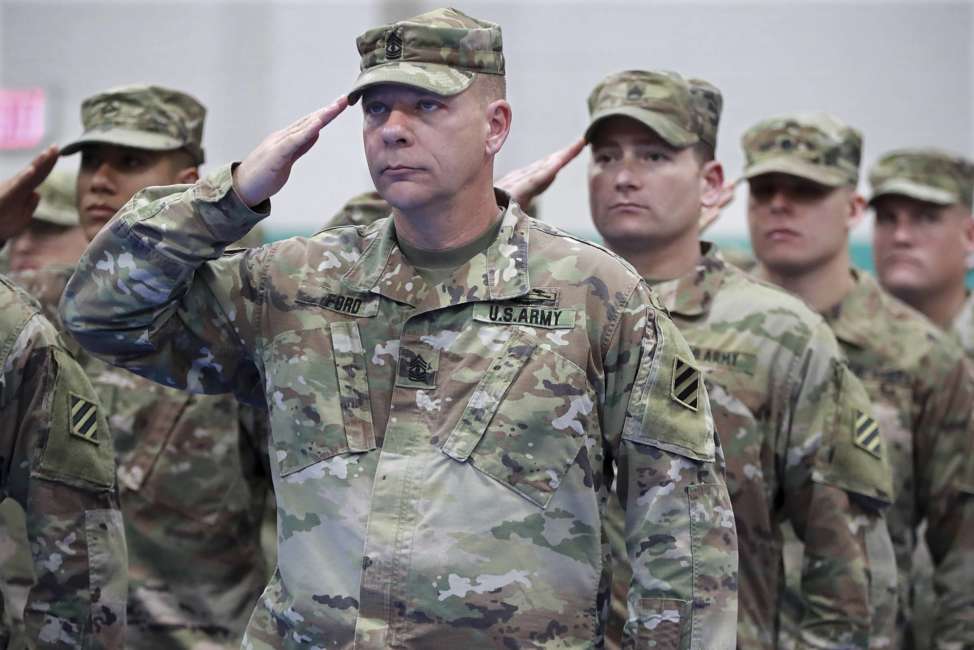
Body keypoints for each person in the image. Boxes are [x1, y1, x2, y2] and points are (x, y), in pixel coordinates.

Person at [60, 8, 739, 648]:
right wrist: (231, 194)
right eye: (376, 108)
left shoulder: (594, 297)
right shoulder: (295, 284)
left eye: (429, 107)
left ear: (495, 125)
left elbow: (681, 535)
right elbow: (99, 313)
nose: (393, 129)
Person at [492, 68, 895, 650]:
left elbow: (845, 559)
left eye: (654, 157)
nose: (624, 177)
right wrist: (489, 223)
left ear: (710, 183)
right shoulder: (535, 313)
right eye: (606, 157)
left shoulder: (780, 335)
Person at [8, 85, 274, 650]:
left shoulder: (237, 316)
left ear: (185, 180)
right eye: (90, 162)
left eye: (129, 162)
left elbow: (293, 499)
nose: (100, 181)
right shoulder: (31, 306)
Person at [742, 113, 974, 649]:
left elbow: (962, 547)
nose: (780, 204)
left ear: (851, 209)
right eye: (764, 190)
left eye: (805, 190)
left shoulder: (925, 358)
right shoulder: (696, 331)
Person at [0, 146, 128, 648]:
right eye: (17, 232)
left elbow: (80, 566)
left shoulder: (19, 337)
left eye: (47, 232)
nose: (24, 248)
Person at [869, 149, 974, 356]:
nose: (901, 236)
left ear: (970, 236)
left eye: (927, 218)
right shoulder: (828, 340)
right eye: (887, 218)